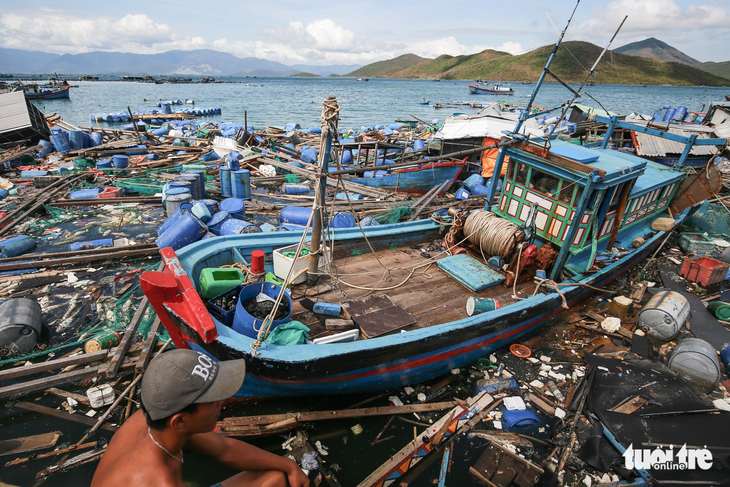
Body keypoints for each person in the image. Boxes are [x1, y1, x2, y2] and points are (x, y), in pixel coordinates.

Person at [91, 349, 308, 487]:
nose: (221, 401)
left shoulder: (154, 417)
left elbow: (224, 449)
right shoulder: (159, 481)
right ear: (180, 420)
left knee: (276, 478)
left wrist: (290, 466)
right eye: (212, 399)